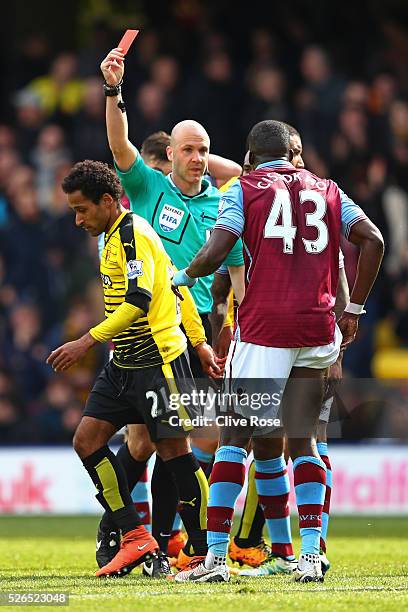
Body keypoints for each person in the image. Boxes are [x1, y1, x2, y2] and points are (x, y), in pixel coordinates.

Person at [172, 120, 384, 583]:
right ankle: (309, 556)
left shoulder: (242, 191)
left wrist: (181, 278)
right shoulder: (328, 190)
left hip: (266, 330)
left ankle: (214, 560)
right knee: (303, 440)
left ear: (249, 156)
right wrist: (355, 310)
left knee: (234, 442)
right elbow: (373, 240)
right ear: (295, 152)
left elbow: (216, 251)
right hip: (317, 329)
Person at [99, 46, 245, 570]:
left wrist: (228, 326)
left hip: (199, 327)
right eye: (187, 149)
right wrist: (114, 90)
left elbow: (236, 271)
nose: (197, 158)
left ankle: (162, 541)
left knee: (171, 440)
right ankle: (124, 533)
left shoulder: (225, 201)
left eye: (204, 150)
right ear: (171, 153)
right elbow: (118, 143)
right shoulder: (148, 186)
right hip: (147, 322)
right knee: (146, 440)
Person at [46, 160, 219, 578]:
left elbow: (141, 299)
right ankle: (133, 535)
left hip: (158, 360)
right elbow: (174, 288)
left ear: (108, 201)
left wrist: (87, 340)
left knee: (174, 451)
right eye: (73, 210)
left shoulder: (133, 233)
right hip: (123, 363)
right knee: (87, 440)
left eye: (81, 209)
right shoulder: (110, 235)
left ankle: (204, 551)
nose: (77, 219)